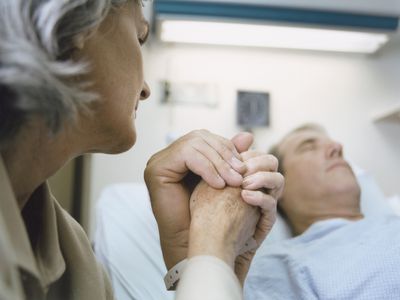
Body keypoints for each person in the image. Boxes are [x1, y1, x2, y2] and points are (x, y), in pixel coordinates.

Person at [0, 1, 284, 299]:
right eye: (139, 37)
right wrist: (215, 244)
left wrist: (195, 265)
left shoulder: (70, 251)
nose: (146, 88)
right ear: (71, 24)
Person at [244, 124, 400, 300]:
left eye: (333, 144)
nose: (338, 147)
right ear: (278, 186)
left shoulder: (391, 223)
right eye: (308, 147)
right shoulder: (282, 266)